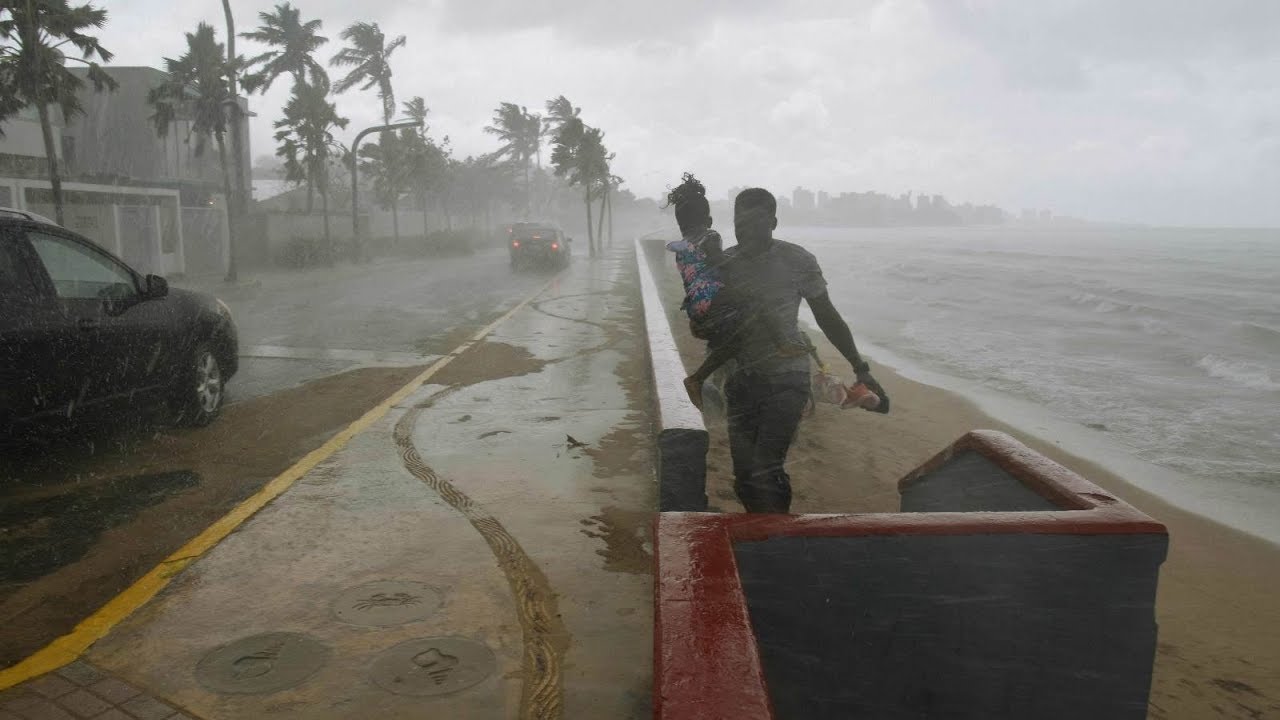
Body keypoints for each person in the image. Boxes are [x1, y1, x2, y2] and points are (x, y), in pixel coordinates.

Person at [719, 187, 889, 513]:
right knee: (743, 477)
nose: (746, 230)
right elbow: (712, 325)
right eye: (740, 222)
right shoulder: (726, 264)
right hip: (741, 379)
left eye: (756, 222)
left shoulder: (797, 260)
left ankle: (777, 539)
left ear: (773, 222)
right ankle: (763, 531)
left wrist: (860, 367)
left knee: (766, 467)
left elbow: (827, 315)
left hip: (788, 377)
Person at [663, 174, 807, 409]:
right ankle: (783, 342)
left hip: (696, 305)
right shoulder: (710, 236)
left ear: (680, 224)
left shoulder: (680, 246)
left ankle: (698, 378)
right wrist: (741, 265)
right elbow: (719, 263)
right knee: (758, 300)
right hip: (714, 298)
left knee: (736, 338)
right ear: (709, 219)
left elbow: (695, 272)